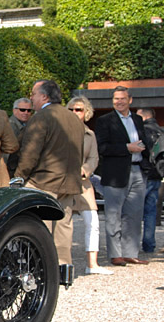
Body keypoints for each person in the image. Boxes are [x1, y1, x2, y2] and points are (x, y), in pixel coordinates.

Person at [14, 79, 83, 273]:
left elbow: (30, 153)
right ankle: (63, 269)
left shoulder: (42, 117)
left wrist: (19, 177)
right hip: (69, 182)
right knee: (64, 229)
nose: (31, 99)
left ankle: (39, 269)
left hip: (44, 181)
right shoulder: (74, 119)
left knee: (38, 229)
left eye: (34, 94)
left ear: (44, 96)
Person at [95, 86, 149, 267]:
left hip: (137, 170)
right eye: (116, 99)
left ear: (130, 100)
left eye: (122, 98)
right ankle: (116, 254)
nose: (119, 101)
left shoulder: (138, 119)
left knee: (134, 215)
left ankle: (130, 253)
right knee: (113, 215)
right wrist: (127, 148)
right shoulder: (104, 121)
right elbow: (102, 148)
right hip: (115, 173)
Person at [66, 96, 108, 274]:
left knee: (93, 220)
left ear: (86, 113)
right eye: (72, 109)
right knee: (62, 223)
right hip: (63, 181)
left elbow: (94, 157)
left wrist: (86, 170)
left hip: (83, 181)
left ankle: (92, 264)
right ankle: (62, 262)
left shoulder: (90, 134)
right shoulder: (60, 130)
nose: (75, 113)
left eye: (79, 110)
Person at [135, 108, 161, 255]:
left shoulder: (142, 131)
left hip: (143, 173)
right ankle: (149, 244)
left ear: (144, 117)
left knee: (135, 210)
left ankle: (132, 244)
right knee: (151, 211)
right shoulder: (160, 131)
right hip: (157, 173)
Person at [6, 97, 34, 176]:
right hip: (12, 169)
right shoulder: (10, 126)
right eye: (22, 110)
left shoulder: (30, 124)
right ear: (14, 110)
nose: (26, 113)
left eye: (29, 110)